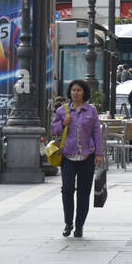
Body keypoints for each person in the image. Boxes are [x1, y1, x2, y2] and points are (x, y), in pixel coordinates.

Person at [49, 79, 102, 239]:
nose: (76, 93)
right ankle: (68, 223)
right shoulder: (62, 111)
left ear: (84, 93)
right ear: (69, 93)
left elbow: (96, 133)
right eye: (73, 90)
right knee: (67, 189)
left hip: (87, 155)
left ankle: (79, 226)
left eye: (79, 90)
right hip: (67, 156)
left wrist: (99, 153)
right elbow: (53, 129)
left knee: (84, 193)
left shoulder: (91, 110)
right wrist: (63, 124)